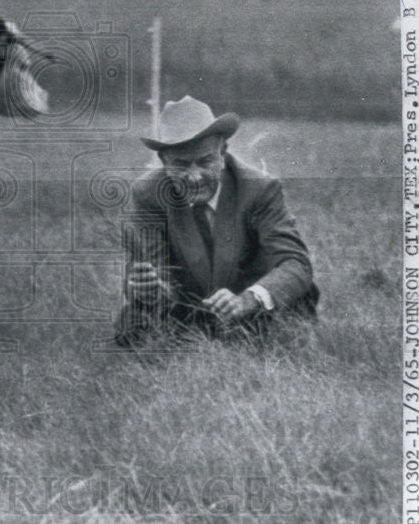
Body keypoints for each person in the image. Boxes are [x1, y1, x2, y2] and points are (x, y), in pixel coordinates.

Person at [114, 96, 319, 347]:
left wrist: (247, 300)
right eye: (180, 164)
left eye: (205, 162)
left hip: (251, 309)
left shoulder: (260, 188)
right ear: (164, 162)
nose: (194, 177)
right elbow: (153, 272)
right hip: (189, 308)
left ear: (222, 153)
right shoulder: (147, 194)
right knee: (132, 323)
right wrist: (149, 288)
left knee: (297, 300)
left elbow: (296, 264)